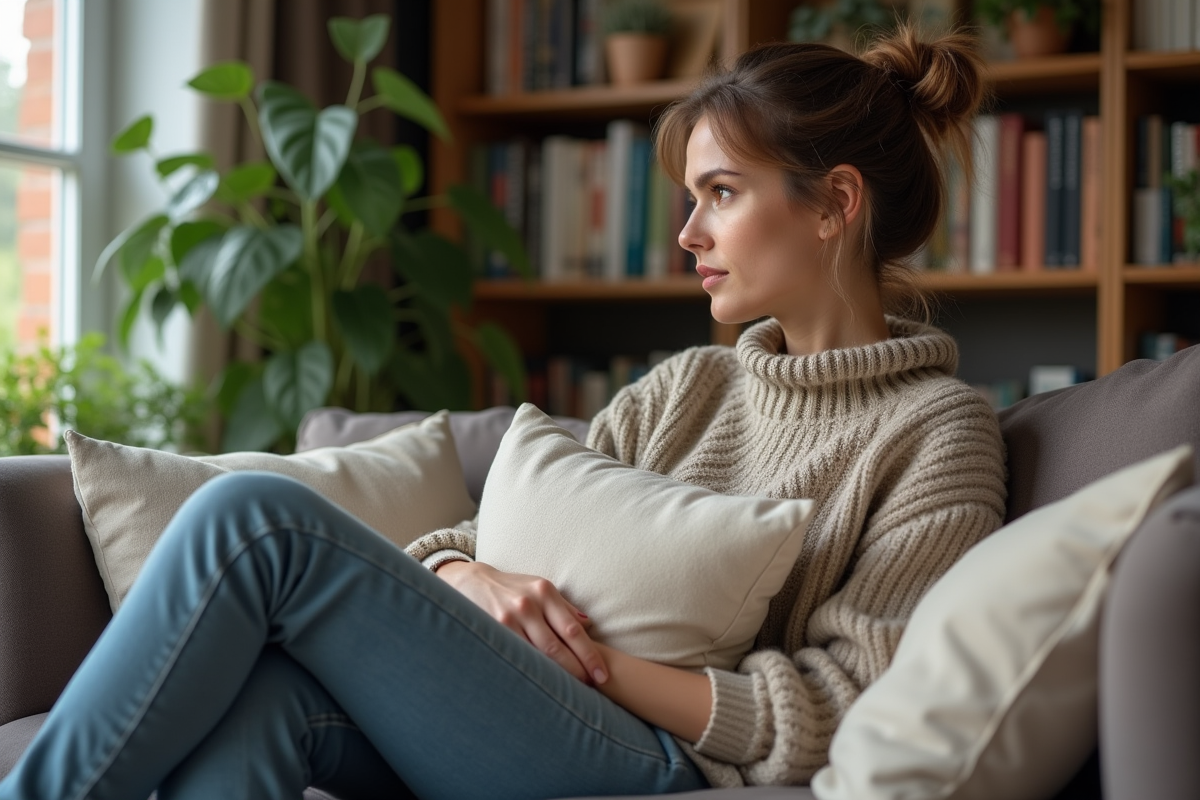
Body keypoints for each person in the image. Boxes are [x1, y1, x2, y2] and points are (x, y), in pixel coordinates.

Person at [0, 22, 1007, 800]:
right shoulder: (686, 389)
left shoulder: (936, 431)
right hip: (527, 706)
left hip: (657, 756)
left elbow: (845, 703)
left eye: (722, 193)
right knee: (260, 699)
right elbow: (471, 539)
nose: (689, 232)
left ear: (834, 203)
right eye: (692, 197)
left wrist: (592, 663)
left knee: (251, 518)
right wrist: (468, 575)